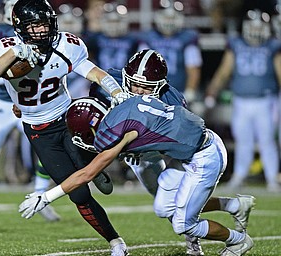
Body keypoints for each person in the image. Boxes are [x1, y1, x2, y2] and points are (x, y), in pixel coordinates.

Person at [0, 0, 128, 255]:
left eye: (45, 23)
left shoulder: (65, 45)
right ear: (19, 27)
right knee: (79, 195)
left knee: (88, 114)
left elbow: (95, 73)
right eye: (34, 26)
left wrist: (115, 90)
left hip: (67, 119)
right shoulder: (5, 48)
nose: (41, 30)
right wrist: (16, 53)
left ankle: (90, 164)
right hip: (37, 130)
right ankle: (116, 241)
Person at [18, 95, 255, 256]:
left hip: (204, 157)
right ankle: (234, 205)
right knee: (164, 208)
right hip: (191, 149)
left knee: (183, 223)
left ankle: (237, 240)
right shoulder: (125, 103)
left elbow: (86, 174)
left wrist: (46, 197)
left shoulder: (113, 133)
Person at [90, 49, 256, 256]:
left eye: (146, 88)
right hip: (131, 150)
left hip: (156, 152)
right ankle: (233, 205)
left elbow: (174, 144)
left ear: (159, 86)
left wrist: (133, 146)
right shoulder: (110, 81)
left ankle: (196, 244)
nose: (139, 92)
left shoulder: (172, 100)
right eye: (135, 84)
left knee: (182, 214)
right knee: (163, 205)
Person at [0, 0, 61, 229]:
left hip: (31, 104)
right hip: (2, 103)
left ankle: (39, 196)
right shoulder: (0, 32)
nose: (37, 27)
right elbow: (0, 67)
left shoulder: (45, 33)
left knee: (46, 148)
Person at [206, 9, 281, 192]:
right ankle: (239, 176)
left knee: (266, 139)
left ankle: (272, 178)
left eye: (259, 27)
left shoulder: (273, 46)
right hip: (241, 100)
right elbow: (225, 70)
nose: (255, 31)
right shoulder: (236, 44)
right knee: (242, 140)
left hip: (266, 100)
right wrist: (213, 90)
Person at [138, 1, 202, 104]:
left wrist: (190, 92)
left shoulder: (187, 38)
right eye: (166, 17)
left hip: (178, 92)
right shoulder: (148, 37)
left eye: (172, 18)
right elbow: (140, 69)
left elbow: (193, 69)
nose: (169, 21)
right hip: (151, 93)